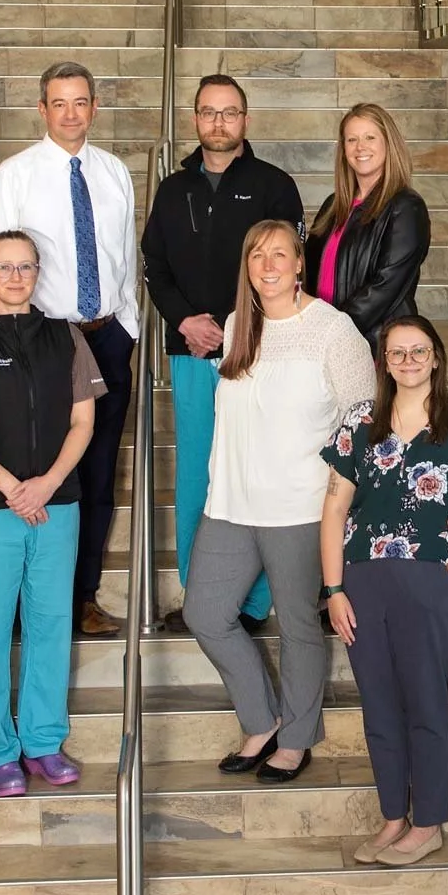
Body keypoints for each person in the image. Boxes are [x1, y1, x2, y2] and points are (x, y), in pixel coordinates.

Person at [185, 220, 374, 785]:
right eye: (257, 256)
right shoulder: (239, 325)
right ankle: (261, 719)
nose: (268, 265)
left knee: (296, 626)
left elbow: (363, 423)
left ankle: (295, 739)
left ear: (298, 264)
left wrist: (341, 502)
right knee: (204, 614)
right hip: (230, 505)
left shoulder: (333, 330)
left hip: (300, 507)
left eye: (280, 255)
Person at [321, 315, 448, 867]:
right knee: (379, 705)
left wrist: (446, 581)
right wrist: (334, 589)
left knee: (425, 703)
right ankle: (393, 818)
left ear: (435, 356)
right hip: (363, 582)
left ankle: (428, 824)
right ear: (384, 363)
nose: (408, 361)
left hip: (430, 581)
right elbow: (334, 509)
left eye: (418, 350)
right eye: (396, 353)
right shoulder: (360, 422)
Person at [0, 229, 105, 797]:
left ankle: (43, 742)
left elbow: (83, 421)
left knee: (51, 625)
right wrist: (14, 488)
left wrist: (48, 484)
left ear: (37, 272)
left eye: (25, 266)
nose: (14, 276)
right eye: (3, 267)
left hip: (58, 504)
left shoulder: (66, 338)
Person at [141, 75, 305, 633]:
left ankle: (254, 603)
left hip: (256, 351)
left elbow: (285, 269)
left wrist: (238, 329)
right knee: (197, 473)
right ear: (195, 119)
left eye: (229, 112)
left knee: (253, 470)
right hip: (190, 350)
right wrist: (184, 320)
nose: (219, 122)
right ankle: (201, 600)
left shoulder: (274, 186)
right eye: (209, 112)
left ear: (245, 120)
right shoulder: (173, 189)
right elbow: (154, 265)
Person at [0, 62, 136, 637]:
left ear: (94, 107)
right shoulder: (15, 175)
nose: (71, 113)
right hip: (43, 340)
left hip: (107, 337)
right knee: (42, 469)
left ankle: (83, 597)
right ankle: (34, 601)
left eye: (80, 102)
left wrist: (128, 326)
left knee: (98, 473)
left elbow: (124, 253)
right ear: (42, 109)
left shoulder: (115, 171)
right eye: (59, 103)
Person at [304, 103, 431, 345]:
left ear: (388, 144)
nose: (360, 147)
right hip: (325, 338)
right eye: (351, 140)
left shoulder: (406, 207)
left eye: (370, 137)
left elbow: (385, 286)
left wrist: (334, 331)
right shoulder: (333, 205)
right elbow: (307, 270)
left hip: (373, 343)